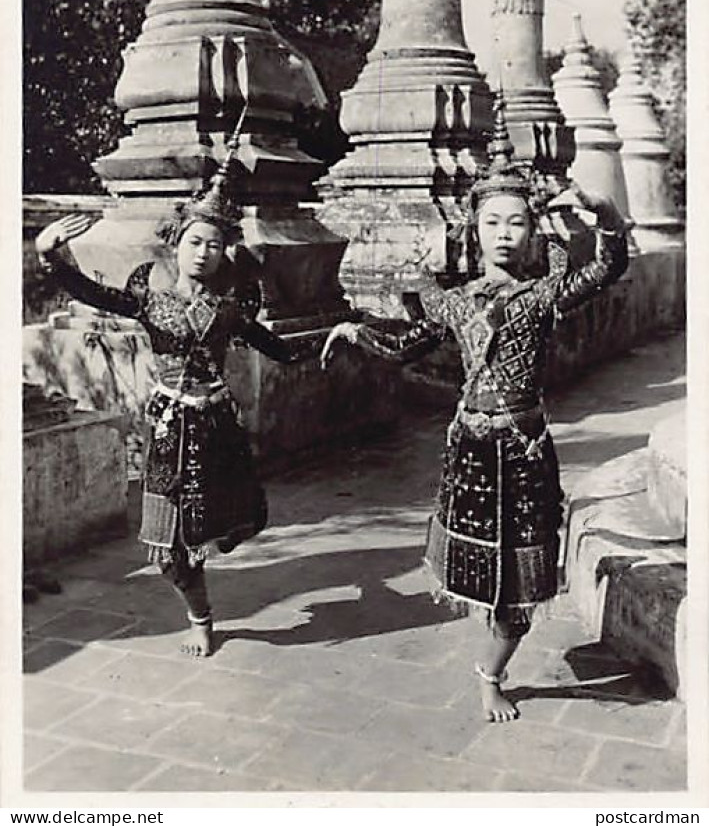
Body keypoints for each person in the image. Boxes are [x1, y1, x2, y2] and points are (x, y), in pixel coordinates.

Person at [321, 94, 628, 723]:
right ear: (474, 230)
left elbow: (607, 266)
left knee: (521, 586)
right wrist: (357, 333)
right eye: (493, 223)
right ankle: (487, 662)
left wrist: (602, 212)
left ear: (530, 230)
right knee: (479, 571)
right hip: (470, 446)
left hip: (523, 446)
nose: (505, 234)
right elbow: (405, 347)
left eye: (517, 222)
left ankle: (491, 671)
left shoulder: (543, 296)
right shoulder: (455, 301)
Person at [35, 178, 317, 659]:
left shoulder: (232, 306)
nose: (203, 252)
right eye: (195, 241)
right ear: (176, 243)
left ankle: (211, 565)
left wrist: (336, 340)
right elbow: (93, 294)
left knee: (220, 522)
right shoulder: (148, 294)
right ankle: (200, 617)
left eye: (214, 244)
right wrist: (49, 256)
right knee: (169, 546)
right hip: (168, 430)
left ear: (225, 251)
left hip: (217, 429)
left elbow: (278, 350)